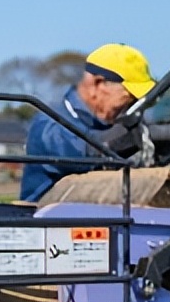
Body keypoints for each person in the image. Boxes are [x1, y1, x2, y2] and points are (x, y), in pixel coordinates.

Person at [19, 43, 156, 202]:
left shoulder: (108, 124)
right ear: (98, 84)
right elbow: (81, 152)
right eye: (129, 99)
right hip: (45, 214)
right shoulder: (48, 125)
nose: (129, 109)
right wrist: (127, 140)